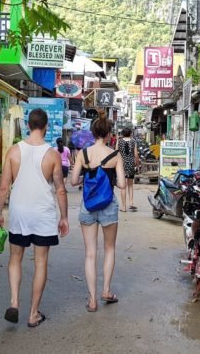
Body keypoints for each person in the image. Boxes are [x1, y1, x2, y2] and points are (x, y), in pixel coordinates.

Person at [0, 108, 69, 327]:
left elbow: (4, 186)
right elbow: (61, 190)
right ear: (45, 127)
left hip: (19, 213)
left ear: (28, 125)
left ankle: (14, 302)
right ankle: (33, 313)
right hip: (43, 213)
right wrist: (64, 217)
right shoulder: (53, 154)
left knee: (15, 257)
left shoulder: (14, 151)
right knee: (41, 261)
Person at [70, 110, 126, 312]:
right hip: (108, 205)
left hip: (88, 205)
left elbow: (74, 180)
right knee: (109, 248)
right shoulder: (115, 155)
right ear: (109, 134)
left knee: (90, 254)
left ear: (92, 133)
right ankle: (106, 291)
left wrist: (88, 176)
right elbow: (120, 184)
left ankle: (92, 300)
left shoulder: (83, 154)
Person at [116, 128, 140, 212]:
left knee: (123, 186)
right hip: (130, 164)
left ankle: (123, 206)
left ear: (122, 133)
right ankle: (131, 203)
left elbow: (116, 152)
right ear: (130, 133)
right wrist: (137, 163)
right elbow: (136, 154)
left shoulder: (119, 141)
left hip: (121, 164)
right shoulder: (133, 141)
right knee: (130, 185)